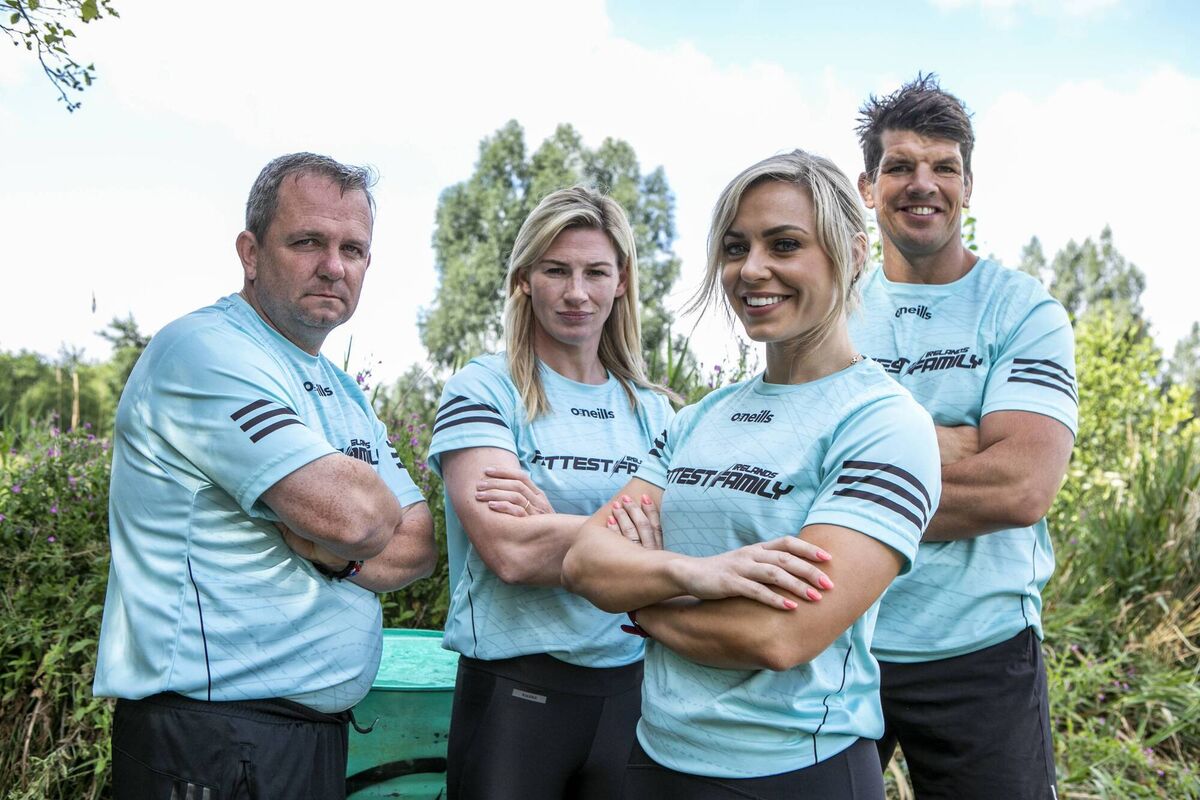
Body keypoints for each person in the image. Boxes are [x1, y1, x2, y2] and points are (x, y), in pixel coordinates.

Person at [561, 150, 943, 799]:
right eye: (737, 247)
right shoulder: (700, 419)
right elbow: (584, 562)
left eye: (785, 244)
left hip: (796, 768)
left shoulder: (882, 423)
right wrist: (696, 575)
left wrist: (642, 603)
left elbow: (780, 634)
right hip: (654, 758)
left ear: (853, 254)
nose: (752, 269)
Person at [426, 186, 829, 800]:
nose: (576, 292)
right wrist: (646, 550)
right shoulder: (485, 389)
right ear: (524, 280)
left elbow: (682, 532)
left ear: (621, 283)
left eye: (596, 272)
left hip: (634, 692)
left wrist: (558, 524)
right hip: (515, 693)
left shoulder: (657, 413)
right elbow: (509, 551)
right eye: (555, 271)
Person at [93, 152, 437, 799]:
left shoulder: (340, 388)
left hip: (302, 740)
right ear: (250, 252)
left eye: (353, 249)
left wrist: (334, 556)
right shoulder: (204, 352)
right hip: (211, 738)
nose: (333, 265)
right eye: (307, 241)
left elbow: (417, 543)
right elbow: (361, 516)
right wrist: (352, 527)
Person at [850, 75, 1077, 800]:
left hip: (979, 654)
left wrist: (853, 482)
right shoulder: (828, 311)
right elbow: (785, 472)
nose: (924, 184)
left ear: (969, 185)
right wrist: (953, 441)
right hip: (839, 647)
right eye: (901, 166)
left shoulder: (1022, 309)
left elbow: (1020, 486)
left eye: (944, 166)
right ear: (866, 184)